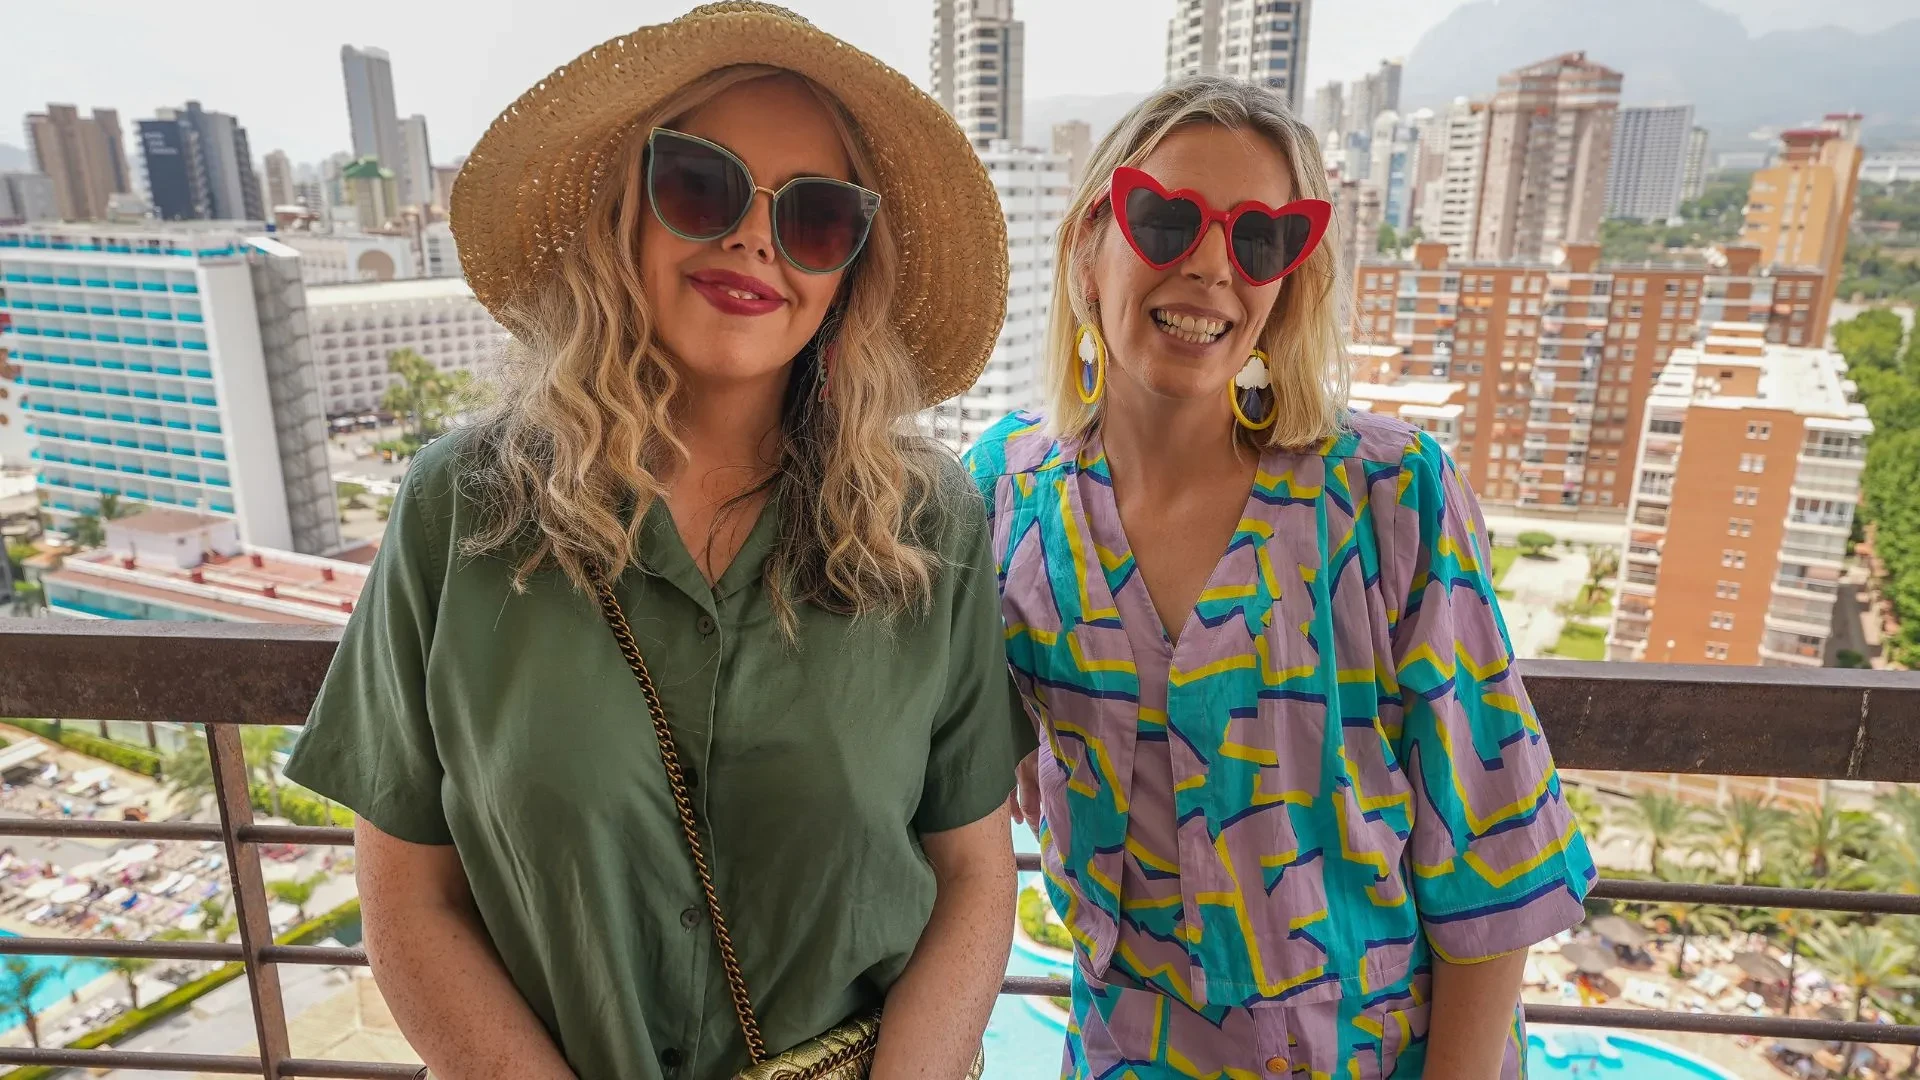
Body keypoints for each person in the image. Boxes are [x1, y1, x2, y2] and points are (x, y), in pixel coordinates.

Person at [284, 5, 1029, 1078]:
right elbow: (409, 893)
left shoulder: (927, 521)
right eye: (701, 184)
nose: (755, 240)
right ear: (623, 210)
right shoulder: (462, 507)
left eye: (817, 217)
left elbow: (973, 873)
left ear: (850, 270)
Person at [965, 76, 1596, 1079]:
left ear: (1289, 278)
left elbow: (1493, 852)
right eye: (1167, 220)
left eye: (1261, 238)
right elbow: (945, 754)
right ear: (1089, 244)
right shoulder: (1002, 497)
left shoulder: (1391, 497)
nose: (1213, 265)